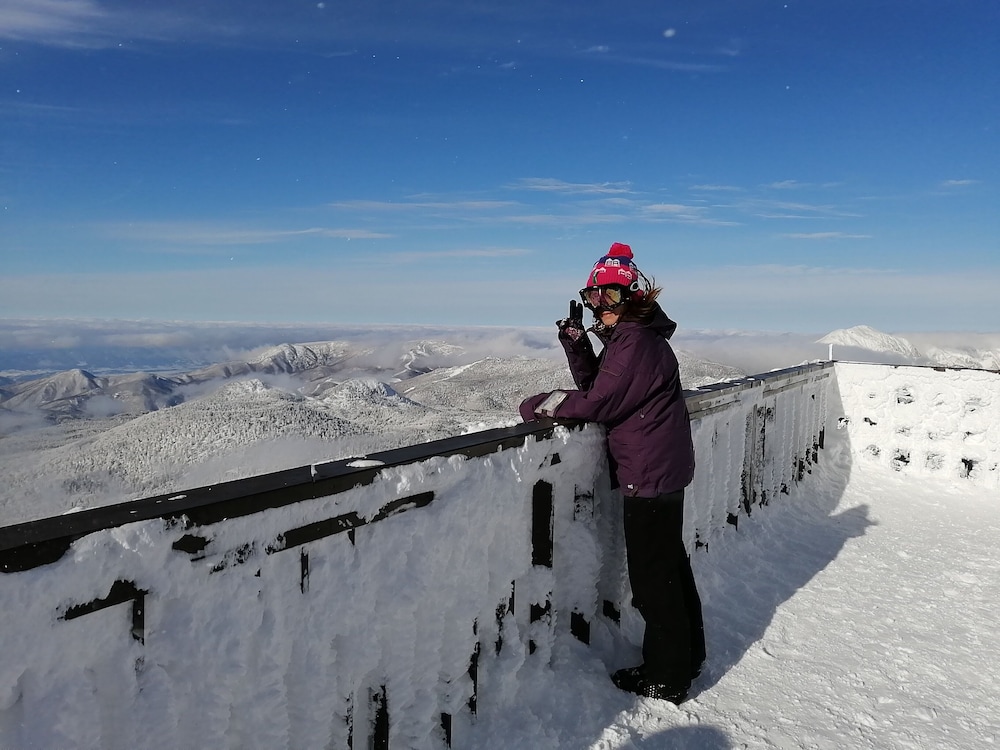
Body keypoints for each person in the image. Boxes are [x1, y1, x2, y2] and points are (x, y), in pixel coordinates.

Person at [519, 242, 705, 704]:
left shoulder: (636, 343)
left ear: (633, 298)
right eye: (592, 296)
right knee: (670, 568)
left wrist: (539, 404)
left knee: (654, 578)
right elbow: (600, 388)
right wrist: (577, 344)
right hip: (659, 465)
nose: (599, 306)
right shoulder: (631, 340)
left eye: (608, 297)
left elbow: (599, 403)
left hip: (650, 469)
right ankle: (687, 656)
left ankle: (667, 676)